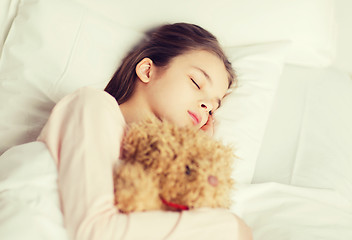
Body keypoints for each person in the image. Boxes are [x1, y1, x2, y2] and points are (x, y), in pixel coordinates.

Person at [37, 23, 252, 240]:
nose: (207, 106)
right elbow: (94, 231)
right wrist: (226, 228)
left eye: (214, 107)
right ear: (147, 70)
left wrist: (193, 159)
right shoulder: (93, 105)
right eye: (196, 82)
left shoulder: (157, 167)